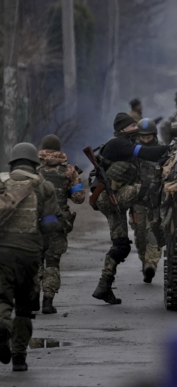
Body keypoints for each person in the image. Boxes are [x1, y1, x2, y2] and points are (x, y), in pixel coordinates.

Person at [92, 113, 169, 305]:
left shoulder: (121, 142)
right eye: (132, 125)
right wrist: (172, 148)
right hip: (111, 198)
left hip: (111, 200)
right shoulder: (119, 143)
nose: (136, 128)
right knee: (148, 188)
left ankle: (104, 286)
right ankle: (160, 229)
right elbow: (148, 153)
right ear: (123, 128)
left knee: (121, 246)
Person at [0, 143, 63, 371]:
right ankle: (19, 358)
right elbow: (49, 224)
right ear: (35, 165)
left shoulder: (1, 181)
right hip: (29, 254)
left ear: (13, 163)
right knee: (25, 307)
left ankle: (2, 327)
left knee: (2, 298)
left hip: (2, 252)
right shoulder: (43, 186)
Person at [37, 134, 86, 314]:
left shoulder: (35, 169)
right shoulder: (69, 170)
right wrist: (74, 184)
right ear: (59, 149)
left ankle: (32, 299)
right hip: (57, 220)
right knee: (52, 260)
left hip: (37, 220)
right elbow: (79, 198)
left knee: (35, 260)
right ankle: (48, 302)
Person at [131, 119, 164, 283]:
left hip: (156, 199)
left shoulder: (162, 150)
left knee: (154, 232)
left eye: (148, 136)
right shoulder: (133, 151)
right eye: (142, 137)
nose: (145, 139)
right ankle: (145, 261)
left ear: (154, 135)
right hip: (137, 199)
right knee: (140, 233)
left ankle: (151, 264)